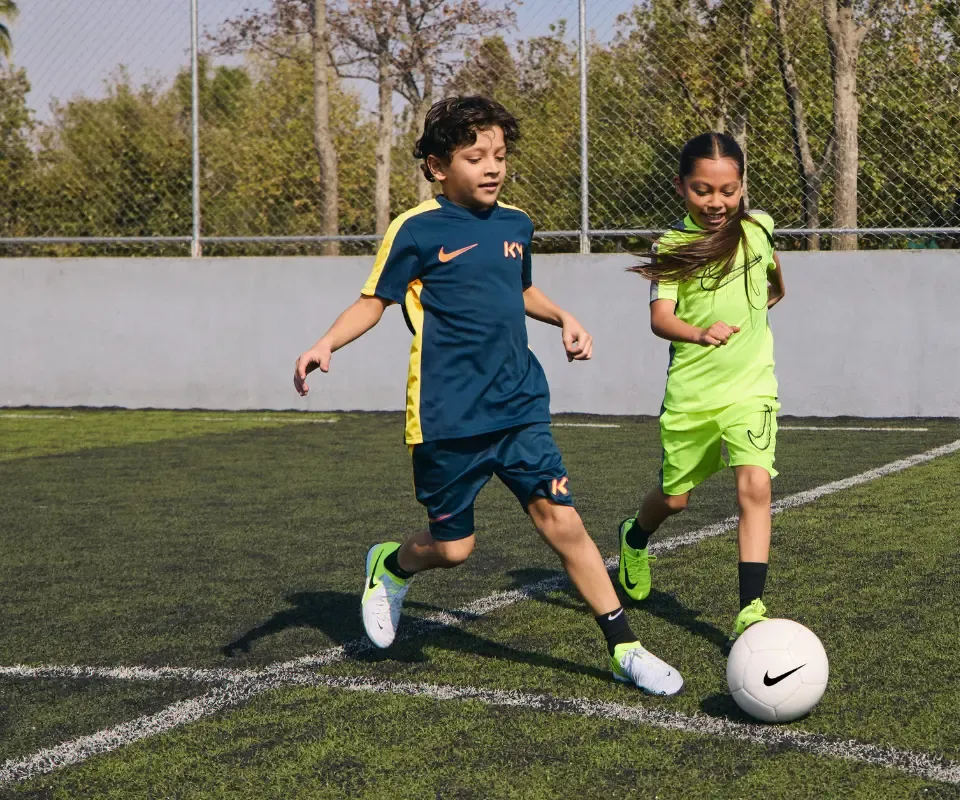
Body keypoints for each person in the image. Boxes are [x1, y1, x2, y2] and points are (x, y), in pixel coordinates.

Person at [293, 96, 682, 696]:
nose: (493, 167)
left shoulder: (516, 223)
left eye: (499, 155)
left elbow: (520, 289)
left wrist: (564, 318)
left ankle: (624, 649)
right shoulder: (416, 229)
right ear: (436, 167)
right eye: (476, 157)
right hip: (448, 417)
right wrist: (326, 343)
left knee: (564, 524)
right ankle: (391, 565)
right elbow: (375, 301)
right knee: (454, 549)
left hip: (519, 404)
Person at [618, 132, 785, 650]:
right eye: (703, 190)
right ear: (681, 187)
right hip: (693, 395)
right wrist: (699, 333)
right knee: (675, 499)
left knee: (755, 487)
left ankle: (750, 610)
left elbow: (774, 279)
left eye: (728, 191)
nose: (716, 202)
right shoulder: (671, 246)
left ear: (742, 186)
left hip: (752, 387)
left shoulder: (759, 229)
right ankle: (635, 537)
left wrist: (765, 306)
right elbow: (660, 319)